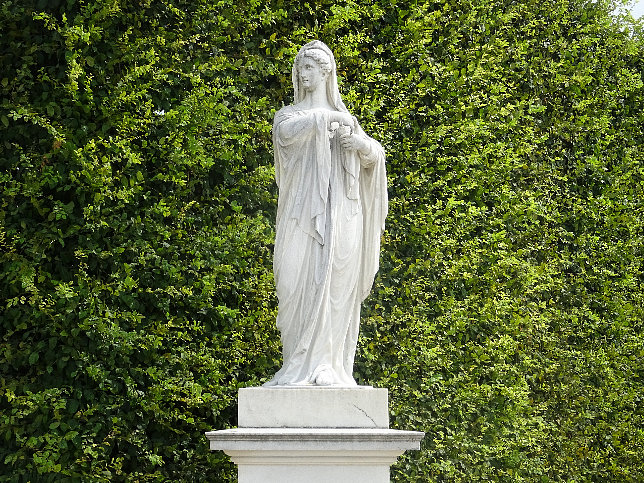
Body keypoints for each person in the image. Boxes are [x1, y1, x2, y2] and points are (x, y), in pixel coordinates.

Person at [265, 40, 388, 387]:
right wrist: (326, 119)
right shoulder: (288, 116)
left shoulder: (347, 119)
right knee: (291, 281)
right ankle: (296, 365)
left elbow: (374, 157)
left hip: (342, 214)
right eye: (300, 68)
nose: (302, 74)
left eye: (309, 68)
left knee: (335, 288)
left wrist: (362, 145)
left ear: (325, 72)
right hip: (300, 215)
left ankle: (329, 366)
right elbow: (286, 134)